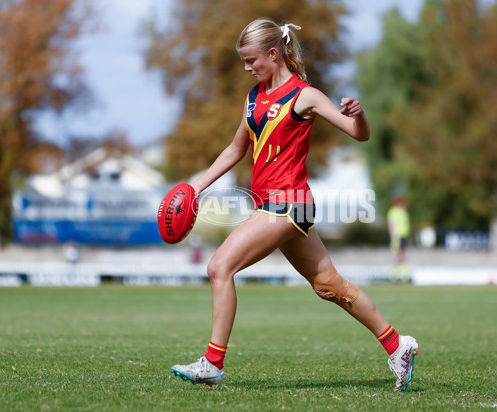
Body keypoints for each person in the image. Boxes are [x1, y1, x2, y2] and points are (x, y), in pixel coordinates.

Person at [170, 18, 419, 392]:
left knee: (219, 267)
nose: (247, 67)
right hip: (277, 207)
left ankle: (213, 363)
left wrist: (360, 114)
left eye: (251, 59)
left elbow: (358, 134)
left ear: (273, 54)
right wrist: (196, 186)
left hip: (289, 205)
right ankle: (398, 345)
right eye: (244, 61)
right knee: (328, 285)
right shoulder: (253, 97)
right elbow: (237, 149)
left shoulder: (304, 95)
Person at [387, 196, 411, 282]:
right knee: (396, 257)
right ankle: (393, 277)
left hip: (404, 237)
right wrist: (395, 237)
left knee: (405, 256)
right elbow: (392, 225)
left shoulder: (404, 212)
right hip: (397, 237)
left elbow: (406, 226)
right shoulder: (394, 211)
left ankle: (405, 277)